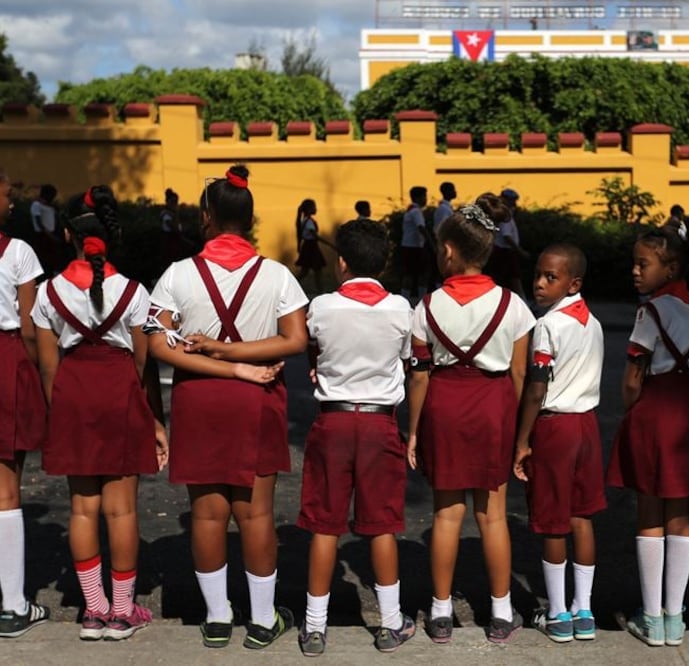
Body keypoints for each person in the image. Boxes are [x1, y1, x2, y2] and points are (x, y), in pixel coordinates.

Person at [147, 165, 308, 650]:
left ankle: (217, 618)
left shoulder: (177, 275)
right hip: (257, 398)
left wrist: (212, 351)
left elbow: (157, 345)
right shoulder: (276, 275)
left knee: (207, 516)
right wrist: (239, 356)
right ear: (251, 218)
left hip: (197, 398)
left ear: (206, 216)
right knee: (256, 515)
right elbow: (295, 340)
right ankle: (263, 620)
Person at [32, 185, 168, 641]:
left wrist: (61, 415)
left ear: (68, 234)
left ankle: (93, 609)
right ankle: (122, 611)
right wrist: (154, 418)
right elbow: (144, 362)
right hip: (120, 393)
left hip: (72, 395)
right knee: (122, 509)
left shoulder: (48, 293)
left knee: (83, 508)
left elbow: (48, 365)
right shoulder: (133, 291)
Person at [405, 195, 534, 644]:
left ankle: (440, 612)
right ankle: (500, 612)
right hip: (494, 404)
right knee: (493, 516)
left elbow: (418, 377)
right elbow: (520, 374)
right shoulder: (513, 305)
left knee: (446, 515)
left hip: (444, 404)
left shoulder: (426, 306)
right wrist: (522, 433)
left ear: (448, 251)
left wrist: (414, 429)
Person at [298, 219, 415, 655]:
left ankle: (314, 628)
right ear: (384, 262)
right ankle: (389, 623)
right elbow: (406, 362)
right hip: (380, 423)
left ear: (342, 263)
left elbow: (315, 351)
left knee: (325, 527)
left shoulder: (321, 307)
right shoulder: (402, 309)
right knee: (381, 525)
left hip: (333, 421)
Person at [606, 218, 689, 648]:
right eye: (634, 263)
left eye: (643, 264)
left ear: (670, 268)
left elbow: (634, 374)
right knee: (680, 514)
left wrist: (631, 409)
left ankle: (651, 617)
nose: (635, 270)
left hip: (655, 407)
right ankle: (674, 616)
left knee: (649, 509)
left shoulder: (650, 310)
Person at [512, 244, 605, 644]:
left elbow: (536, 388)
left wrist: (521, 441)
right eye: (538, 274)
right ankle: (585, 609)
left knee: (554, 519)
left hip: (554, 427)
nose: (539, 283)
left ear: (574, 283)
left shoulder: (548, 326)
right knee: (582, 516)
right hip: (587, 425)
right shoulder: (594, 324)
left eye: (551, 277)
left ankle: (558, 611)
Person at [0, 158, 51, 637]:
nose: (12, 202)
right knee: (4, 482)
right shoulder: (18, 252)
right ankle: (13, 606)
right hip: (1, 362)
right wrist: (46, 382)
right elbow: (29, 329)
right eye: (6, 195)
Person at [489, 188, 527, 297]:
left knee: (505, 279)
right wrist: (520, 251)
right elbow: (507, 236)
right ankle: (523, 302)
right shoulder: (506, 216)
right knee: (514, 279)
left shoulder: (503, 214)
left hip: (503, 251)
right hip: (505, 252)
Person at [400, 186, 433, 300]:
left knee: (409, 274)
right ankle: (421, 299)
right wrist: (431, 243)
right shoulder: (416, 211)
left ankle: (405, 298)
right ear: (418, 197)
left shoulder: (410, 210)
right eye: (424, 196)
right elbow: (421, 228)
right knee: (422, 274)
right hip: (415, 247)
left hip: (408, 246)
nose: (426, 199)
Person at [295, 199, 327, 292]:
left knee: (307, 271)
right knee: (316, 271)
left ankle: (320, 290)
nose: (316, 209)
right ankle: (321, 290)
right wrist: (330, 244)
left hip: (308, 247)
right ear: (309, 209)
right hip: (311, 247)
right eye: (314, 207)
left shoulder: (305, 220)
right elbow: (315, 236)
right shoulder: (309, 222)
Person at [30, 184, 60, 275]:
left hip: (50, 234)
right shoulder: (36, 205)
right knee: (44, 259)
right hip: (43, 235)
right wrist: (51, 236)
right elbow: (39, 223)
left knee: (53, 258)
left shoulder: (50, 206)